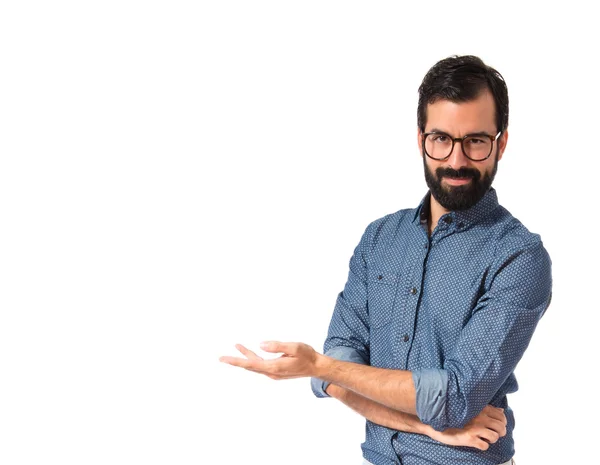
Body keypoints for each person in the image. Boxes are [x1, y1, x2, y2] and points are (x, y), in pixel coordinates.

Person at [219, 55, 552, 465]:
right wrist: (425, 425)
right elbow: (338, 367)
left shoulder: (517, 256)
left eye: (476, 141)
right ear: (420, 139)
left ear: (500, 142)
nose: (456, 161)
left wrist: (323, 368)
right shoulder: (380, 238)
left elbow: (455, 397)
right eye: (441, 139)